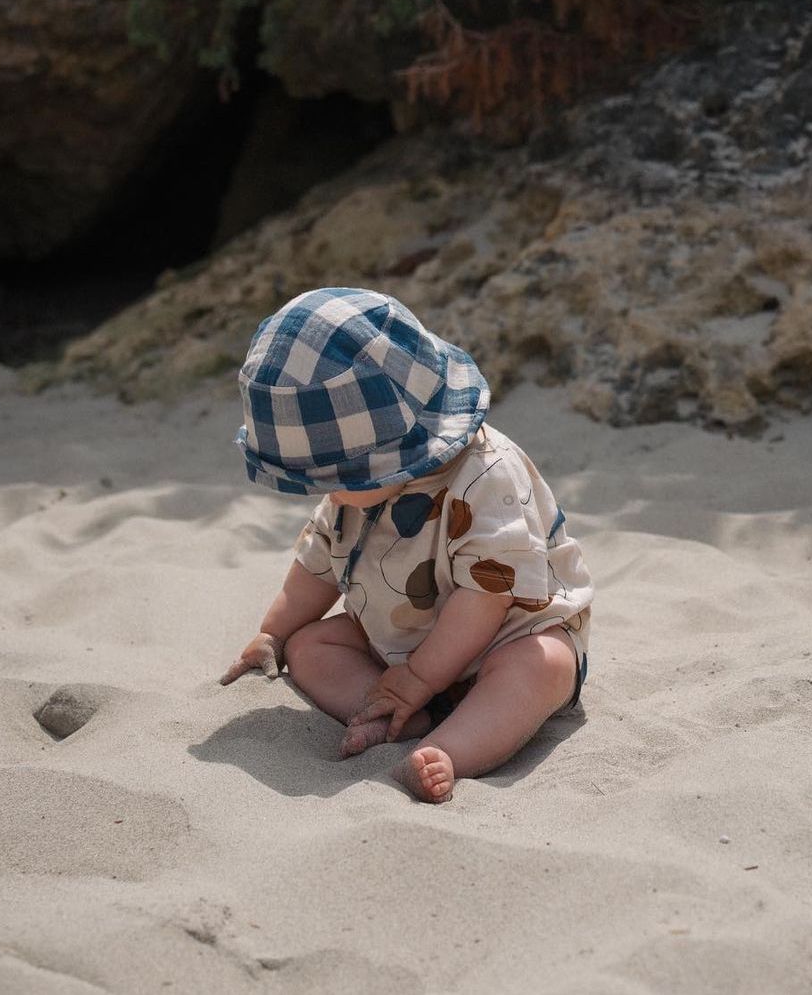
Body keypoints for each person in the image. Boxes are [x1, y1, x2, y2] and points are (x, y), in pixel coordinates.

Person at [220, 286, 593, 804]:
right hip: (395, 641)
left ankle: (449, 749)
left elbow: (487, 594)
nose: (324, 492)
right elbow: (317, 565)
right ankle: (388, 712)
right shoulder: (356, 493)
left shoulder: (488, 476)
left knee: (543, 665)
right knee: (311, 645)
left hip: (503, 635)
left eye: (330, 476)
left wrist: (418, 677)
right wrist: (273, 633)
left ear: (387, 456)